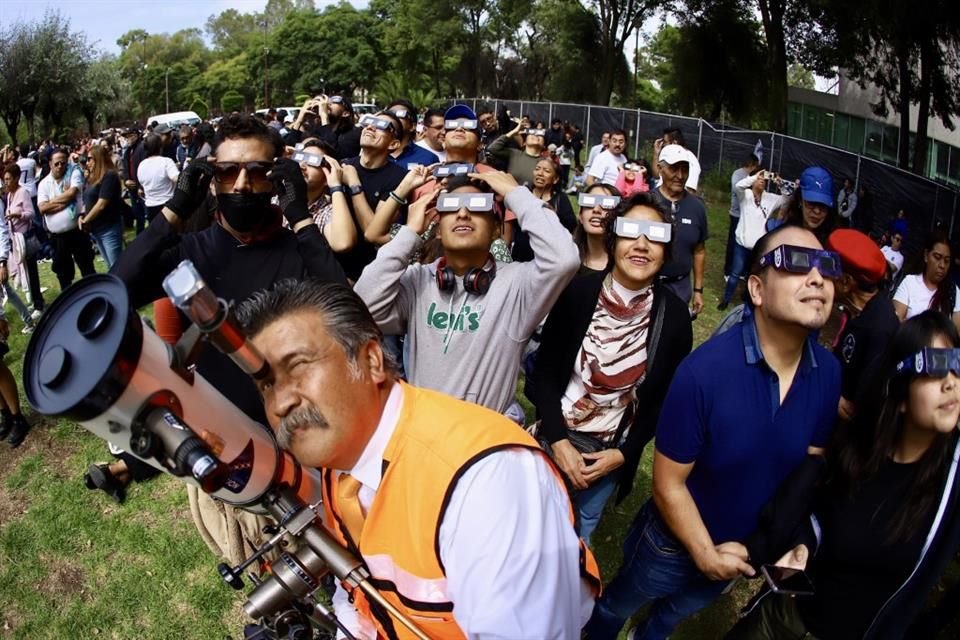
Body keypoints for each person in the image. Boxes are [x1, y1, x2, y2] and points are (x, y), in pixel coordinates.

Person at [235, 279, 600, 638]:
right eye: (267, 384)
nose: (281, 403)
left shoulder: (486, 485)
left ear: (372, 361)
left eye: (298, 366)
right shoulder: (342, 458)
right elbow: (361, 596)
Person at [585, 225, 841, 640]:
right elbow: (669, 485)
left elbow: (808, 467)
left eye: (826, 266)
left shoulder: (829, 374)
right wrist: (704, 554)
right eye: (794, 263)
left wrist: (782, 542)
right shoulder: (703, 374)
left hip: (738, 555)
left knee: (669, 618)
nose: (817, 277)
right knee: (617, 605)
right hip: (670, 546)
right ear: (756, 289)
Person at [90, 114, 346, 520]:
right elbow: (115, 291)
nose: (241, 185)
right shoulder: (194, 250)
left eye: (257, 172)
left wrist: (299, 215)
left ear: (276, 177)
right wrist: (173, 210)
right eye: (227, 172)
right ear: (212, 180)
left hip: (303, 431)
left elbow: (347, 311)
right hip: (226, 442)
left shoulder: (297, 248)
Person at [728, 311, 960, 640]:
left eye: (956, 364)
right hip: (782, 617)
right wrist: (804, 545)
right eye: (935, 366)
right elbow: (816, 513)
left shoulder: (952, 485)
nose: (951, 381)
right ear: (900, 394)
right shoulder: (856, 451)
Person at [529, 191, 692, 544]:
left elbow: (662, 402)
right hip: (555, 436)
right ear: (614, 238)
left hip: (608, 456)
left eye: (656, 236)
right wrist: (558, 441)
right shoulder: (577, 293)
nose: (642, 244)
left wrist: (623, 454)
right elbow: (543, 373)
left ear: (667, 252)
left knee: (579, 536)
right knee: (528, 528)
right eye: (632, 231)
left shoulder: (674, 318)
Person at [354, 171, 580, 421]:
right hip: (422, 432)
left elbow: (564, 258)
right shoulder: (417, 280)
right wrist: (409, 233)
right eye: (451, 207)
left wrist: (516, 195)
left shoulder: (519, 285)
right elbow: (361, 308)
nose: (463, 213)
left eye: (478, 206)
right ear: (438, 230)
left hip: (482, 442)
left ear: (496, 230)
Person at [826, 229, 899, 421]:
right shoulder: (859, 311)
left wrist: (830, 396)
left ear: (845, 282)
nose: (819, 278)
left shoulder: (880, 330)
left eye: (827, 270)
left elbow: (863, 408)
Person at [719, 169, 787, 310]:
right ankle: (726, 300)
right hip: (741, 244)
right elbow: (738, 186)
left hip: (757, 247)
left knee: (753, 275)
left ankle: (747, 301)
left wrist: (780, 183)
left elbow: (788, 198)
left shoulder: (770, 198)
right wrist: (754, 177)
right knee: (735, 274)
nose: (762, 180)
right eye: (759, 178)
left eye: (764, 178)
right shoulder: (746, 195)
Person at [652, 144, 708, 316]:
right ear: (660, 169)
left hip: (680, 287)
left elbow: (699, 251)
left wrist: (698, 290)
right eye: (674, 169)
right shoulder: (647, 202)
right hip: (648, 284)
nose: (680, 176)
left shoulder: (697, 207)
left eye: (685, 169)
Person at [36, 148, 96, 290]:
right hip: (58, 238)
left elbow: (72, 193)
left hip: (77, 232)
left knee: (87, 268)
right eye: (56, 163)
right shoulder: (44, 184)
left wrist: (53, 203)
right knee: (64, 274)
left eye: (63, 163)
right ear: (50, 163)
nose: (60, 166)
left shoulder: (73, 175)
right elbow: (42, 209)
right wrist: (66, 202)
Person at [293, 140, 356, 253]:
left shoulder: (325, 211)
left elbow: (343, 243)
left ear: (328, 176)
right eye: (300, 158)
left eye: (312, 162)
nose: (302, 166)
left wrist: (336, 186)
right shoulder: (277, 195)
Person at [512, 157, 576, 262]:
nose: (540, 173)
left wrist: (554, 218)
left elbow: (570, 227)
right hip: (520, 257)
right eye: (537, 169)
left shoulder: (561, 199)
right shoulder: (523, 194)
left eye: (546, 171)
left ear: (555, 179)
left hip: (547, 260)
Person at [893, 231, 960, 328]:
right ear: (926, 256)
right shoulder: (910, 283)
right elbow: (895, 323)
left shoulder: (954, 292)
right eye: (937, 257)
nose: (942, 265)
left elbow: (956, 335)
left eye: (947, 261)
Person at [3, 163, 44, 316]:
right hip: (15, 240)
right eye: (5, 179)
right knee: (24, 271)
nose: (6, 182)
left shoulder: (23, 192)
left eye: (9, 179)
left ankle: (38, 304)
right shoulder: (9, 195)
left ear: (17, 178)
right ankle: (33, 300)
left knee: (32, 271)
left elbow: (31, 213)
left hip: (25, 238)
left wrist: (18, 215)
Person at [79, 145, 126, 269]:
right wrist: (81, 216)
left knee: (116, 267)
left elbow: (101, 204)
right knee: (110, 266)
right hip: (96, 229)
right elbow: (86, 201)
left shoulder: (109, 176)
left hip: (109, 228)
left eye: (89, 159)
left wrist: (86, 220)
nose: (87, 162)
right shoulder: (91, 178)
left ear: (98, 159)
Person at [768, 166, 837, 244]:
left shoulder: (832, 245)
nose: (817, 211)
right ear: (800, 200)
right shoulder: (775, 232)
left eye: (823, 206)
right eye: (811, 203)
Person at [726, 154, 760, 279]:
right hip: (737, 214)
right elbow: (737, 188)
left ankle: (742, 270)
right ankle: (728, 271)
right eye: (756, 166)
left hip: (749, 216)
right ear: (751, 165)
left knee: (746, 243)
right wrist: (751, 181)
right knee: (733, 244)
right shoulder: (738, 174)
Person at [574, 184, 621, 274]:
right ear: (580, 216)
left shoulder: (625, 267)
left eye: (607, 204)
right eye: (589, 203)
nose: (596, 210)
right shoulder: (564, 260)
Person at [486, 122, 547, 186]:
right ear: (524, 143)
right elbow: (492, 148)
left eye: (540, 134)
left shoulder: (545, 163)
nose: (535, 135)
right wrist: (514, 132)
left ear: (544, 145)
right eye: (531, 133)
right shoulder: (514, 154)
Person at [137, 133, 180, 223]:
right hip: (168, 205)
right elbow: (177, 178)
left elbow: (142, 184)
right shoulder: (166, 162)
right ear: (160, 146)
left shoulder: (141, 165)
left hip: (150, 206)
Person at [385, 99, 439, 169]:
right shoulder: (374, 154)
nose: (393, 118)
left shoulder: (429, 158)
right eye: (390, 114)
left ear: (412, 126)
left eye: (400, 114)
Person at [651, 128, 702, 194]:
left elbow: (690, 190)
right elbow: (656, 176)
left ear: (674, 142)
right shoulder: (668, 156)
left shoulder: (691, 159)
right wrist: (656, 154)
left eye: (665, 142)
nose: (662, 145)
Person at [120, 126, 147, 233]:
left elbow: (144, 168)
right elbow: (125, 168)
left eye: (130, 136)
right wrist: (126, 180)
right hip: (132, 189)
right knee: (138, 214)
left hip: (142, 188)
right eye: (126, 137)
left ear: (137, 135)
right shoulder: (127, 151)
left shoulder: (142, 148)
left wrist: (140, 185)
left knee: (146, 214)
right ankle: (140, 235)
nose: (128, 139)